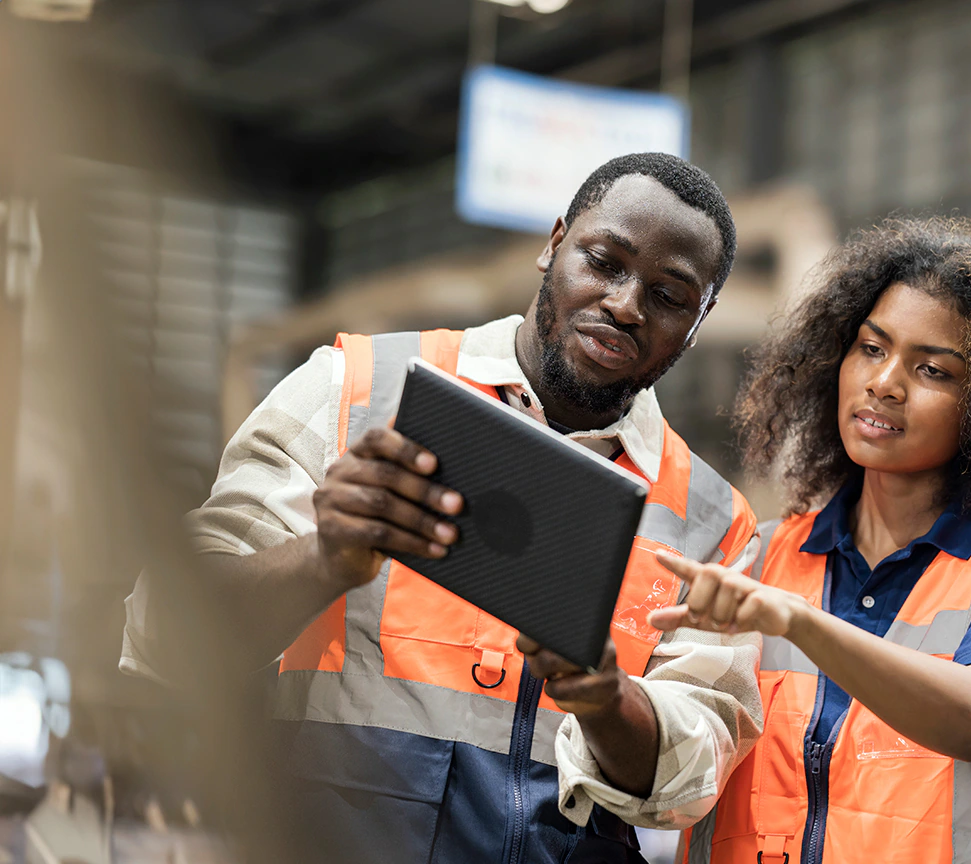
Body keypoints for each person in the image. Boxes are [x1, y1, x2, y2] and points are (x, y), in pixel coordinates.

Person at [119, 153, 766, 864]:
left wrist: (608, 699)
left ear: (698, 324)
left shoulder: (712, 522)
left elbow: (692, 778)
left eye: (670, 296)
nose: (625, 304)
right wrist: (323, 557)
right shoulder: (357, 393)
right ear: (554, 245)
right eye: (605, 261)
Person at [649, 218, 971, 864]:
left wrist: (799, 622)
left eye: (933, 371)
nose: (885, 382)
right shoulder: (762, 554)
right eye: (871, 348)